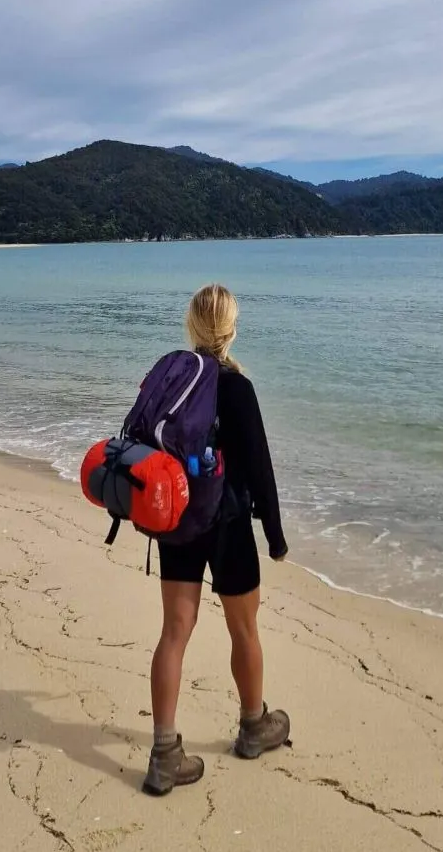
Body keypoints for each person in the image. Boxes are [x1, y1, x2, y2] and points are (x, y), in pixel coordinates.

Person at [142, 283, 291, 796]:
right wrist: (275, 536)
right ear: (230, 328)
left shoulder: (177, 379)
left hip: (179, 519)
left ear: (193, 325)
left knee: (174, 634)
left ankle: (164, 753)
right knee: (244, 631)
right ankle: (254, 726)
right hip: (227, 525)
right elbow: (260, 468)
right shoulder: (235, 387)